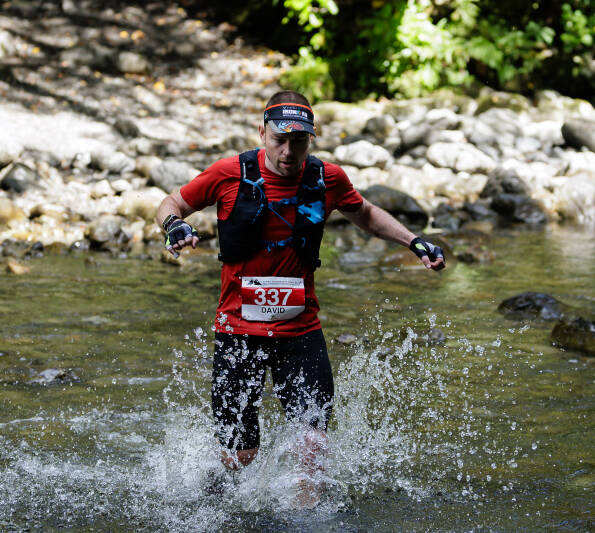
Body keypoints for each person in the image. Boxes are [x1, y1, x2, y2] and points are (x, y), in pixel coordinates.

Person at [155, 90, 445, 504]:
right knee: (241, 455)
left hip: (300, 331)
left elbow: (363, 213)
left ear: (312, 139)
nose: (288, 151)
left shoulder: (327, 179)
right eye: (280, 139)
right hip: (238, 331)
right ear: (262, 132)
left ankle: (305, 517)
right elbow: (173, 202)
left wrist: (414, 241)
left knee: (312, 442)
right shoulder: (227, 174)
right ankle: (215, 495)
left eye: (300, 141)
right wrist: (172, 225)